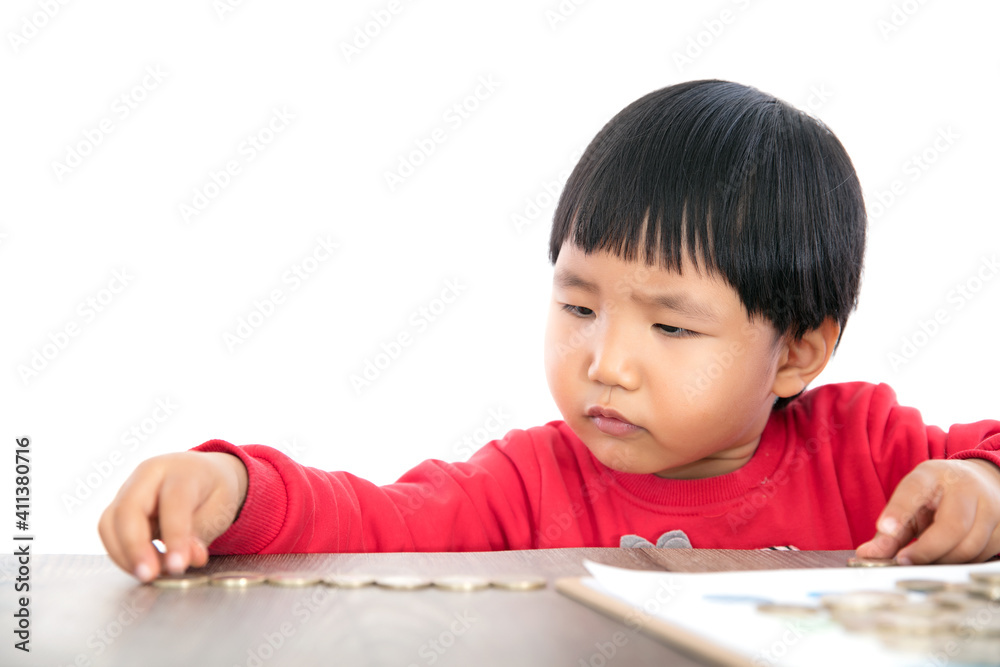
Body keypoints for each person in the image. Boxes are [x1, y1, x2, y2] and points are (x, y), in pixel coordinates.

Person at [99, 79, 1000, 583]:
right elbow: (377, 522)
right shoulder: (528, 484)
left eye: (673, 328)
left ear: (798, 350)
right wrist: (237, 488)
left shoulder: (870, 453)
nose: (605, 362)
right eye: (578, 307)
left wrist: (977, 486)